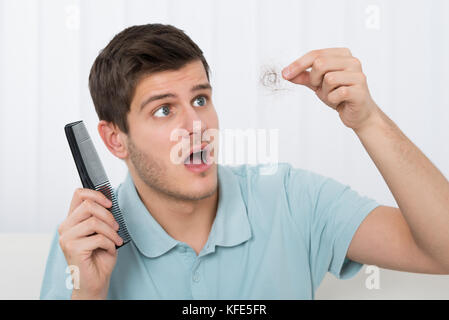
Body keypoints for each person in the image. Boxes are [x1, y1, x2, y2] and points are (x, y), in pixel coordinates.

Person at [40, 23, 449, 300]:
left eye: (200, 99)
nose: (196, 124)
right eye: (164, 110)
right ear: (116, 140)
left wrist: (369, 121)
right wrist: (88, 294)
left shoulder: (294, 199)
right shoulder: (84, 244)